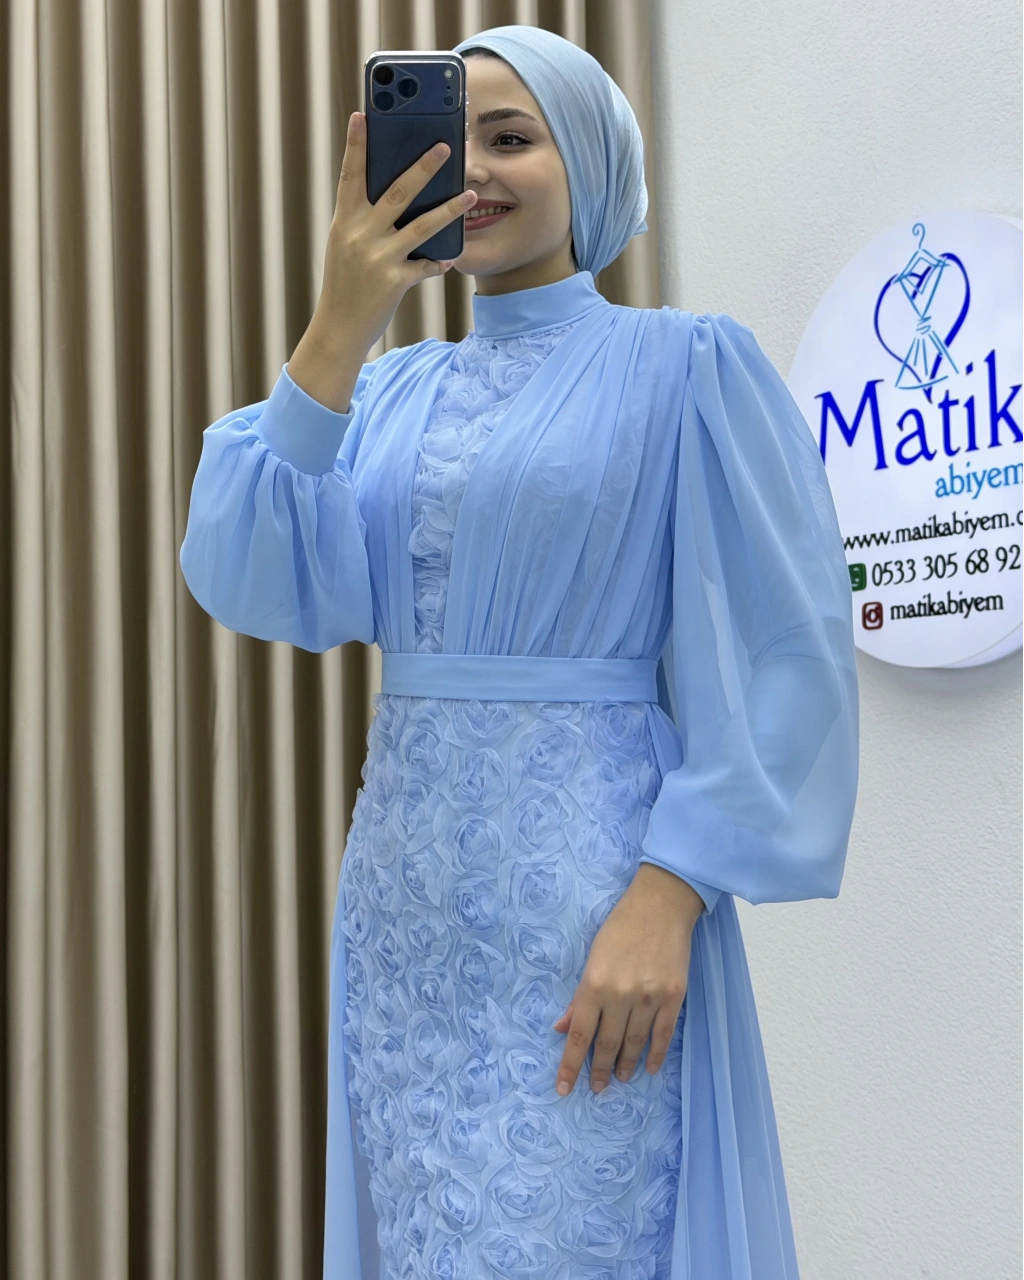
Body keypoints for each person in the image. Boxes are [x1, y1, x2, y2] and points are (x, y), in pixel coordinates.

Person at [179, 23, 859, 1280]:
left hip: (590, 900)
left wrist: (672, 891)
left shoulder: (683, 364)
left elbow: (793, 647)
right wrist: (340, 322)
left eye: (511, 136)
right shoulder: (384, 390)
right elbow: (254, 576)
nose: (475, 169)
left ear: (586, 157)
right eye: (450, 139)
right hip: (407, 919)